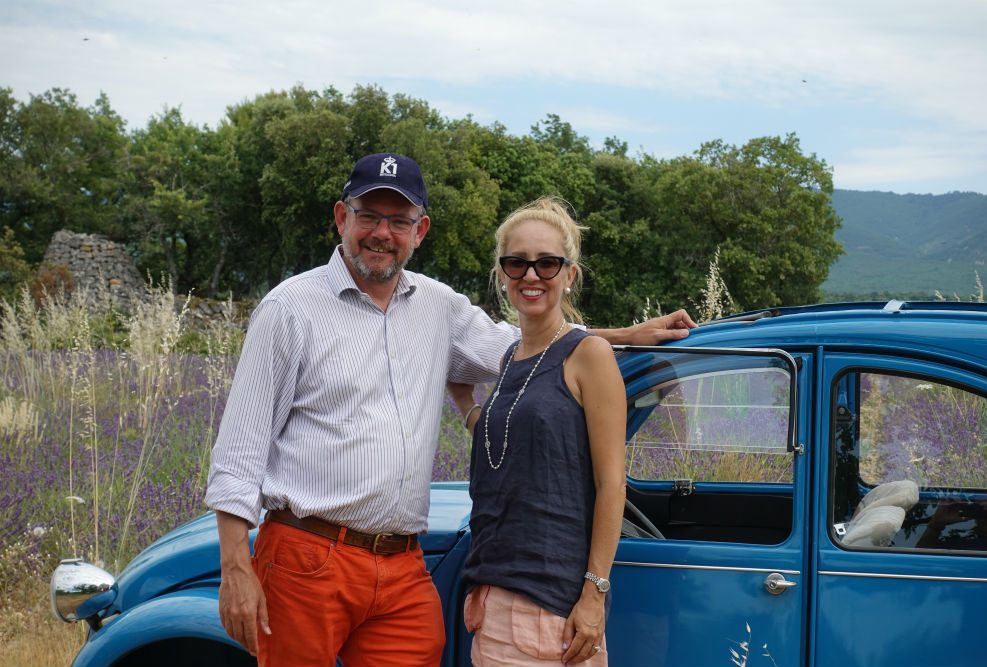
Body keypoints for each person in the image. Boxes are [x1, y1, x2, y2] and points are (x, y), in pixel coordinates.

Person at [204, 152, 696, 667]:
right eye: (368, 215)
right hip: (308, 553)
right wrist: (236, 567)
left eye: (399, 220)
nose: (382, 232)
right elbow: (239, 450)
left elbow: (526, 341)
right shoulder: (290, 309)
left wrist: (623, 337)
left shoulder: (437, 305)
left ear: (421, 230)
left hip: (400, 564)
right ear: (341, 217)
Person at [450, 197, 623, 666]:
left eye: (547, 263)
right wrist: (465, 401)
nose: (531, 275)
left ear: (569, 273)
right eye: (517, 263)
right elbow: (509, 445)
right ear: (502, 273)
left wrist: (594, 595)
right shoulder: (510, 361)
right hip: (493, 600)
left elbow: (612, 484)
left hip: (552, 611)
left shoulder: (588, 355)